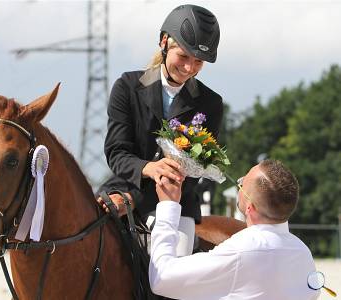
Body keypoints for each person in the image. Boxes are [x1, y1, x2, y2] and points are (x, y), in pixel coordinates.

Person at [97, 4, 223, 255]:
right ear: (164, 42)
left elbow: (194, 175)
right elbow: (117, 152)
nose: (189, 68)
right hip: (120, 192)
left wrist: (137, 200)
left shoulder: (211, 103)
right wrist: (147, 169)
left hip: (177, 204)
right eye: (184, 56)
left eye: (198, 61)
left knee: (171, 276)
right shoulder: (127, 87)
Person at [149, 159, 320, 300]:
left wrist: (168, 205)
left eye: (242, 184)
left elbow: (161, 278)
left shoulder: (239, 250)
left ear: (249, 208)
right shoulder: (303, 253)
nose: (239, 184)